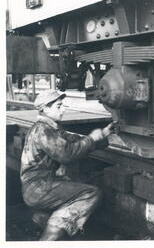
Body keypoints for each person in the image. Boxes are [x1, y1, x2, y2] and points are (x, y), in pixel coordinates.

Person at [20, 90, 113, 241]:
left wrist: (102, 135)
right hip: (39, 188)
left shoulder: (48, 128)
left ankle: (43, 219)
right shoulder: (43, 131)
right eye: (58, 106)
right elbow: (67, 154)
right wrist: (91, 139)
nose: (63, 109)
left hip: (38, 186)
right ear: (45, 109)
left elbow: (71, 139)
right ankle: (48, 239)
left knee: (74, 185)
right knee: (91, 193)